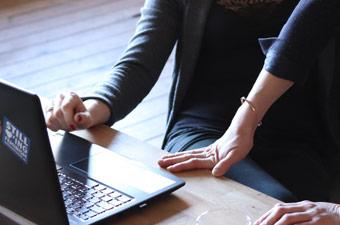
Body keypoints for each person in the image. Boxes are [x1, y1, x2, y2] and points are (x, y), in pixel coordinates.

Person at [46, 0, 336, 204]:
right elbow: (140, 59)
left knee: (280, 206)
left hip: (299, 141)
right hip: (203, 132)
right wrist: (94, 106)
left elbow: (293, 49)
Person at [159, 0, 340, 224]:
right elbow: (301, 38)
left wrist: (336, 211)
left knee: (278, 207)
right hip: (209, 130)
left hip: (299, 143)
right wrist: (246, 120)